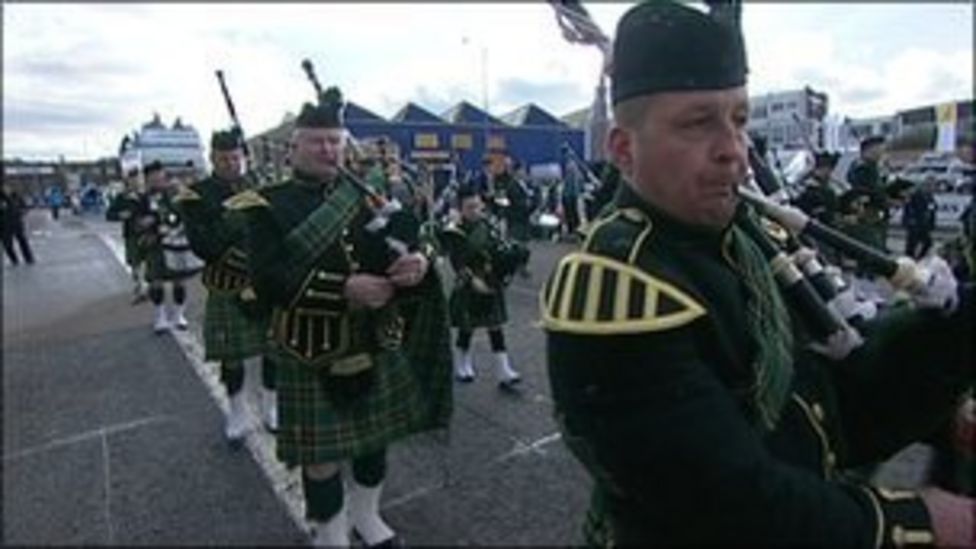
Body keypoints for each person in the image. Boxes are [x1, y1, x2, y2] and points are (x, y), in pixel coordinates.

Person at [541, 2, 974, 546]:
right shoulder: (617, 285)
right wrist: (912, 521)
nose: (736, 153)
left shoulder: (751, 239)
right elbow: (726, 502)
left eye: (739, 119)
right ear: (624, 150)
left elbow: (838, 410)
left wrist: (952, 351)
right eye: (699, 123)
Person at [228, 86, 452, 547]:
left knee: (375, 440)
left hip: (372, 334)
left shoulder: (365, 194)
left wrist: (419, 263)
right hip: (309, 341)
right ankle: (331, 534)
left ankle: (367, 518)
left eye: (335, 140)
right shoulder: (267, 204)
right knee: (323, 456)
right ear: (295, 146)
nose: (329, 150)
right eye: (317, 141)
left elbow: (407, 239)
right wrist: (342, 290)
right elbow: (268, 279)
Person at [175, 129, 278, 443]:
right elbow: (203, 246)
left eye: (236, 157)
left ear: (244, 157)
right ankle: (237, 411)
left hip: (266, 282)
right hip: (228, 284)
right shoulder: (196, 195)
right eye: (224, 159)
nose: (231, 164)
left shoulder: (262, 186)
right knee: (232, 356)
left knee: (274, 349)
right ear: (212, 158)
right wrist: (236, 215)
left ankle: (271, 405)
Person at [439, 185, 524, 391]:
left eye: (477, 206)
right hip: (469, 284)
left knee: (495, 327)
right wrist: (473, 281)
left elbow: (498, 249)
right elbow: (458, 262)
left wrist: (505, 269)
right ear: (460, 208)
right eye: (469, 207)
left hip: (490, 281)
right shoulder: (454, 231)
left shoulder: (489, 225)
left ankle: (503, 370)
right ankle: (462, 362)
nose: (475, 211)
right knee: (467, 328)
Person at [134, 161, 199, 334]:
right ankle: (160, 317)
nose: (157, 181)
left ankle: (179, 315)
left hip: (176, 242)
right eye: (152, 178)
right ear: (147, 179)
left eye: (159, 176)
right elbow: (137, 222)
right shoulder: (143, 198)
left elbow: (187, 212)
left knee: (179, 280)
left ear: (164, 175)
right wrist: (145, 224)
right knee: (156, 282)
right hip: (154, 244)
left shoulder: (175, 194)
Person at [106, 169, 149, 301]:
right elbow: (109, 214)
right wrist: (120, 215)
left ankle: (145, 288)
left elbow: (153, 211)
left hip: (146, 233)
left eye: (138, 179)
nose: (136, 182)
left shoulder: (144, 197)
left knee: (147, 261)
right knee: (134, 263)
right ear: (128, 181)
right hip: (131, 234)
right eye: (133, 179)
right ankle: (138, 287)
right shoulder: (122, 198)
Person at [846, 134, 891, 251]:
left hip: (876, 214)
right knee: (871, 247)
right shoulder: (863, 168)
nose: (882, 153)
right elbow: (868, 191)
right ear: (870, 149)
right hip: (869, 213)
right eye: (880, 149)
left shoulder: (874, 167)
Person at [903, 176, 938, 259]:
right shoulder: (916, 195)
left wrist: (931, 224)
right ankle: (909, 261)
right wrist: (910, 220)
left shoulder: (930, 197)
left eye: (933, 185)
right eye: (929, 185)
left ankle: (918, 258)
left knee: (928, 243)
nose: (932, 188)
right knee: (911, 245)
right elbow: (909, 208)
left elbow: (932, 210)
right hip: (915, 223)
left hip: (924, 224)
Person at [1, 183, 35, 266]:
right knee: (7, 244)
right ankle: (14, 260)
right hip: (3, 225)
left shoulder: (15, 196)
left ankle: (29, 259)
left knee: (22, 241)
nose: (6, 190)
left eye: (7, 188)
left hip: (16, 222)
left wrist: (21, 211)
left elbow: (24, 206)